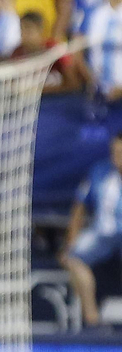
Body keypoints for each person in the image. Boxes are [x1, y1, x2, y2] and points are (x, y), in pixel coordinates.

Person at [62, 132, 122, 327]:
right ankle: (92, 319)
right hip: (104, 233)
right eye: (114, 153)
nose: (117, 158)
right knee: (73, 258)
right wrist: (71, 240)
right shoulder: (100, 171)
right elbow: (79, 206)